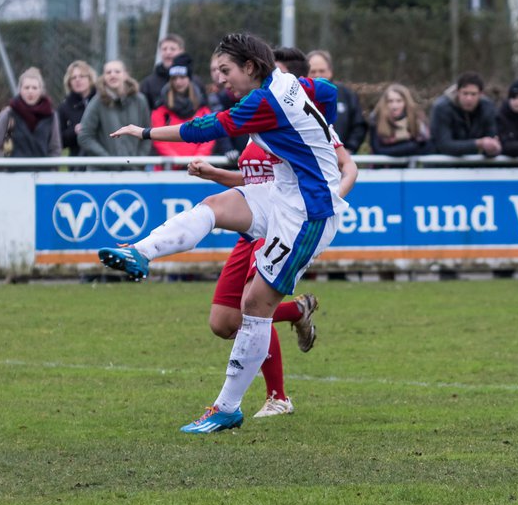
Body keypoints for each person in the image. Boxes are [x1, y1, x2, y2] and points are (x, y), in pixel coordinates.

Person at [98, 32, 348, 434]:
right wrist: (320, 126)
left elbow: (204, 129)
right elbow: (329, 91)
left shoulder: (263, 101)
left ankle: (229, 407)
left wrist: (144, 133)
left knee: (254, 305)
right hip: (283, 192)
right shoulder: (287, 83)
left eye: (226, 71)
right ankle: (139, 252)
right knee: (216, 207)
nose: (220, 82)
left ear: (251, 67)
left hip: (308, 213)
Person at [186, 135, 357, 417]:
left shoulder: (302, 118)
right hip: (253, 230)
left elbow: (347, 166)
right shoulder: (258, 120)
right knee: (223, 322)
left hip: (280, 228)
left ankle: (277, 397)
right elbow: (257, 185)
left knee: (252, 308)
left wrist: (332, 201)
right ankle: (296, 310)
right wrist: (215, 174)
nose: (226, 87)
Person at [76, 59, 152, 161]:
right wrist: (108, 159)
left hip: (134, 171)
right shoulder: (97, 102)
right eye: (108, 72)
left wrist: (138, 161)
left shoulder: (139, 100)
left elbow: (147, 134)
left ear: (125, 75)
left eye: (117, 71)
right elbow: (84, 136)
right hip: (104, 171)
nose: (112, 75)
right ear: (104, 77)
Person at [0, 66, 61, 164]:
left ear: (41, 90)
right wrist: (6, 167)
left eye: (34, 88)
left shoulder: (51, 115)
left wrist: (50, 170)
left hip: (42, 175)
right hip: (13, 175)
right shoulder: (8, 114)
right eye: (26, 87)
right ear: (20, 90)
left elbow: (55, 149)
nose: (30, 91)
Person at [147, 56, 214, 169]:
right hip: (167, 170)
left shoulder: (203, 109)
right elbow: (157, 138)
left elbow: (210, 136)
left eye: (182, 77)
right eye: (174, 78)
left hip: (198, 168)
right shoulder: (161, 110)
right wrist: (175, 159)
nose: (178, 82)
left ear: (189, 79)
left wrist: (197, 159)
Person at [306, 49, 368, 153]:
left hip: (342, 160)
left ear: (330, 71)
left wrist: (349, 149)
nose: (317, 75)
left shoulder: (347, 94)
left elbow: (358, 126)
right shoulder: (298, 96)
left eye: (322, 71)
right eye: (313, 71)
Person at [430, 72, 501, 157]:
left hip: (480, 165)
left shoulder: (488, 108)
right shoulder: (441, 108)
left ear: (481, 94)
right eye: (465, 93)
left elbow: (492, 139)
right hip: (444, 165)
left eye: (473, 94)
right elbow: (444, 145)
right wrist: (478, 144)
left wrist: (492, 148)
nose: (469, 98)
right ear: (457, 92)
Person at [367, 83, 430, 161]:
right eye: (390, 101)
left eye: (399, 101)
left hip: (410, 168)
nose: (394, 106)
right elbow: (377, 150)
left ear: (406, 102)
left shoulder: (416, 119)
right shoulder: (376, 119)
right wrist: (409, 147)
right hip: (383, 168)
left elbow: (425, 146)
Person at [139, 34, 202, 109]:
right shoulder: (148, 84)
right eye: (164, 49)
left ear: (182, 51)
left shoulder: (195, 81)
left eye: (172, 49)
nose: (168, 52)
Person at [57, 60, 96, 158]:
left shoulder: (101, 101)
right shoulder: (64, 107)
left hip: (102, 159)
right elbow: (58, 140)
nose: (77, 80)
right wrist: (74, 131)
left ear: (90, 78)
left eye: (82, 76)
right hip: (77, 162)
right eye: (73, 78)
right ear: (69, 82)